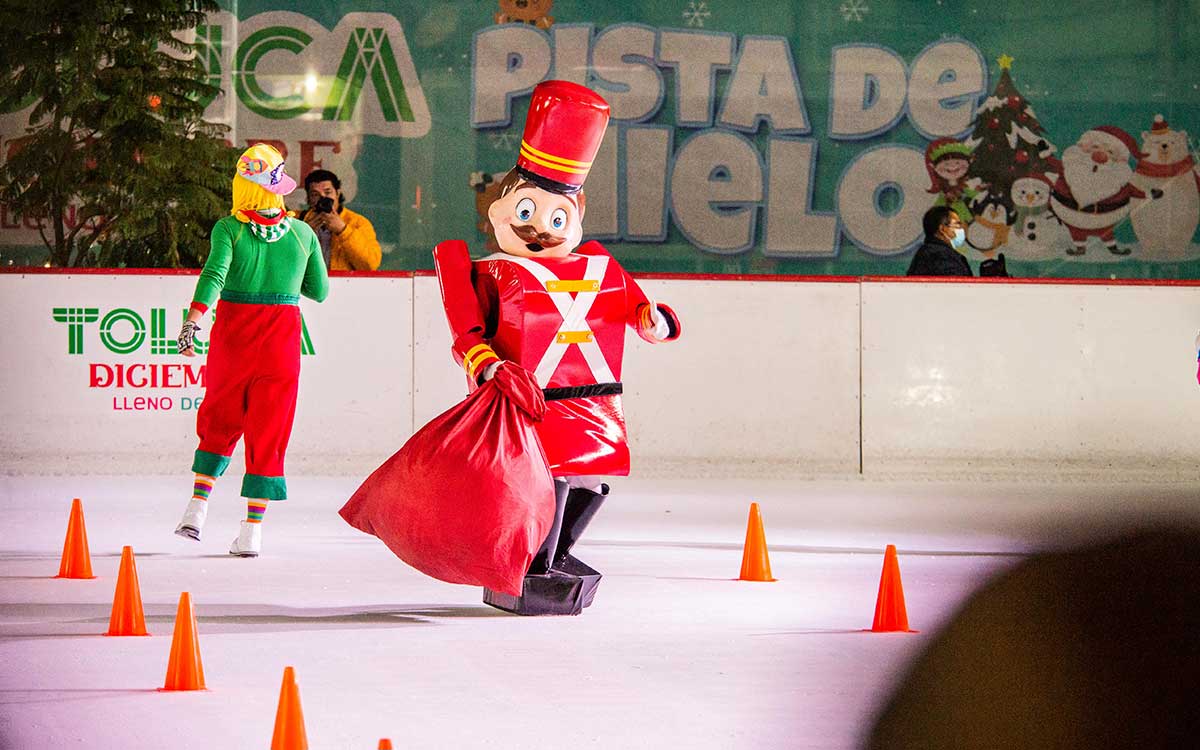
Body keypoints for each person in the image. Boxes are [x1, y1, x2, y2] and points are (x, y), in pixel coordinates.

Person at [433, 80, 682, 615]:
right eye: (527, 213)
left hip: (588, 398)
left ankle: (552, 554)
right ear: (501, 210)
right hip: (521, 396)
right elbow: (467, 331)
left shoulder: (598, 265)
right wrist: (485, 364)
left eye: (556, 218)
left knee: (586, 477)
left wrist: (652, 319)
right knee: (543, 478)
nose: (541, 231)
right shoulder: (484, 270)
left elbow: (634, 307)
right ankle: (529, 562)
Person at [173, 143, 328, 557]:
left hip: (232, 338)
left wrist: (193, 320)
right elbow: (320, 291)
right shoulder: (302, 234)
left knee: (220, 417)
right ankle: (251, 531)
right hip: (280, 342)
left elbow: (214, 274)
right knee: (269, 430)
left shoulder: (229, 229)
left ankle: (197, 508)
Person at [298, 169, 382, 271]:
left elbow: (370, 265)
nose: (323, 198)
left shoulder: (358, 222)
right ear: (308, 198)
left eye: (328, 192)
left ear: (337, 193)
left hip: (344, 285)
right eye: (315, 194)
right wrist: (303, 233)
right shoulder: (296, 221)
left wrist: (343, 230)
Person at [907, 205, 1009, 277]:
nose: (962, 229)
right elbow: (958, 291)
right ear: (942, 229)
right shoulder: (941, 256)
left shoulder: (929, 252)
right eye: (957, 225)